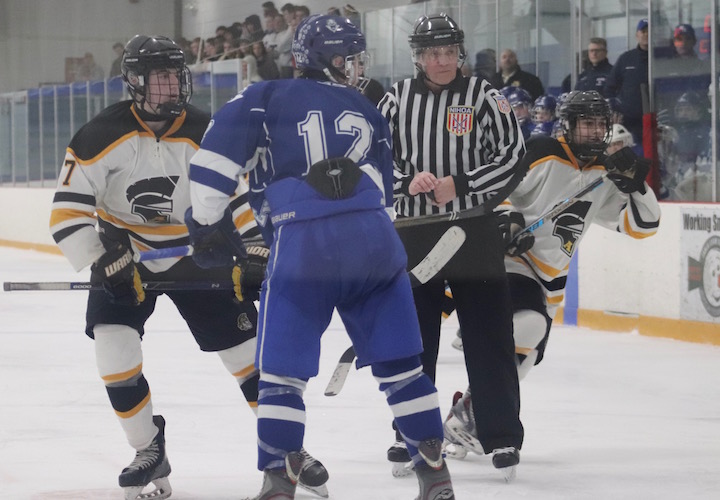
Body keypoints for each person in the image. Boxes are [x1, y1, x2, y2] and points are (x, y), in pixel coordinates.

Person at [186, 15, 455, 500]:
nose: (356, 68)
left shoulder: (263, 96)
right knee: (404, 369)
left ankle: (278, 477)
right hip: (376, 244)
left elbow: (211, 169)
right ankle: (433, 469)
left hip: (304, 244)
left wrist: (206, 225)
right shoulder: (369, 109)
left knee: (281, 376)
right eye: (350, 59)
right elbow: (384, 199)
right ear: (329, 61)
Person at [48, 34, 327, 500]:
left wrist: (256, 246)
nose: (173, 85)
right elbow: (67, 213)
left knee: (247, 356)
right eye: (161, 77)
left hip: (200, 251)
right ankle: (147, 448)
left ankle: (287, 448)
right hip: (125, 254)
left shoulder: (207, 130)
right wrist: (102, 259)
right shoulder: (99, 135)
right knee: (114, 350)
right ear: (135, 82)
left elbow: (238, 197)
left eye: (176, 76)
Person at [442, 91, 660, 459]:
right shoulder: (542, 150)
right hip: (510, 261)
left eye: (600, 124)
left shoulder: (605, 174)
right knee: (530, 325)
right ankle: (474, 406)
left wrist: (637, 186)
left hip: (550, 282)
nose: (595, 131)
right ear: (568, 124)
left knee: (524, 360)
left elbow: (644, 226)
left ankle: (467, 415)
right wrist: (509, 220)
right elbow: (495, 186)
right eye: (586, 123)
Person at [378, 12, 526, 481]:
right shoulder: (396, 99)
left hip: (474, 231)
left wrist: (459, 184)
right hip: (414, 234)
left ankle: (501, 435)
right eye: (431, 53)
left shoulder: (485, 96)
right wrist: (406, 182)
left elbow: (513, 156)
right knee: (413, 340)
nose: (441, 61)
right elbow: (372, 157)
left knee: (490, 337)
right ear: (418, 57)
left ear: (459, 52)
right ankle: (412, 432)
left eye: (448, 52)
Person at [605, 19, 649, 152]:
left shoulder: (663, 57)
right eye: (643, 31)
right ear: (637, 35)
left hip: (655, 120)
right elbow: (610, 87)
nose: (646, 34)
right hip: (630, 122)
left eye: (649, 31)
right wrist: (614, 109)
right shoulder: (626, 58)